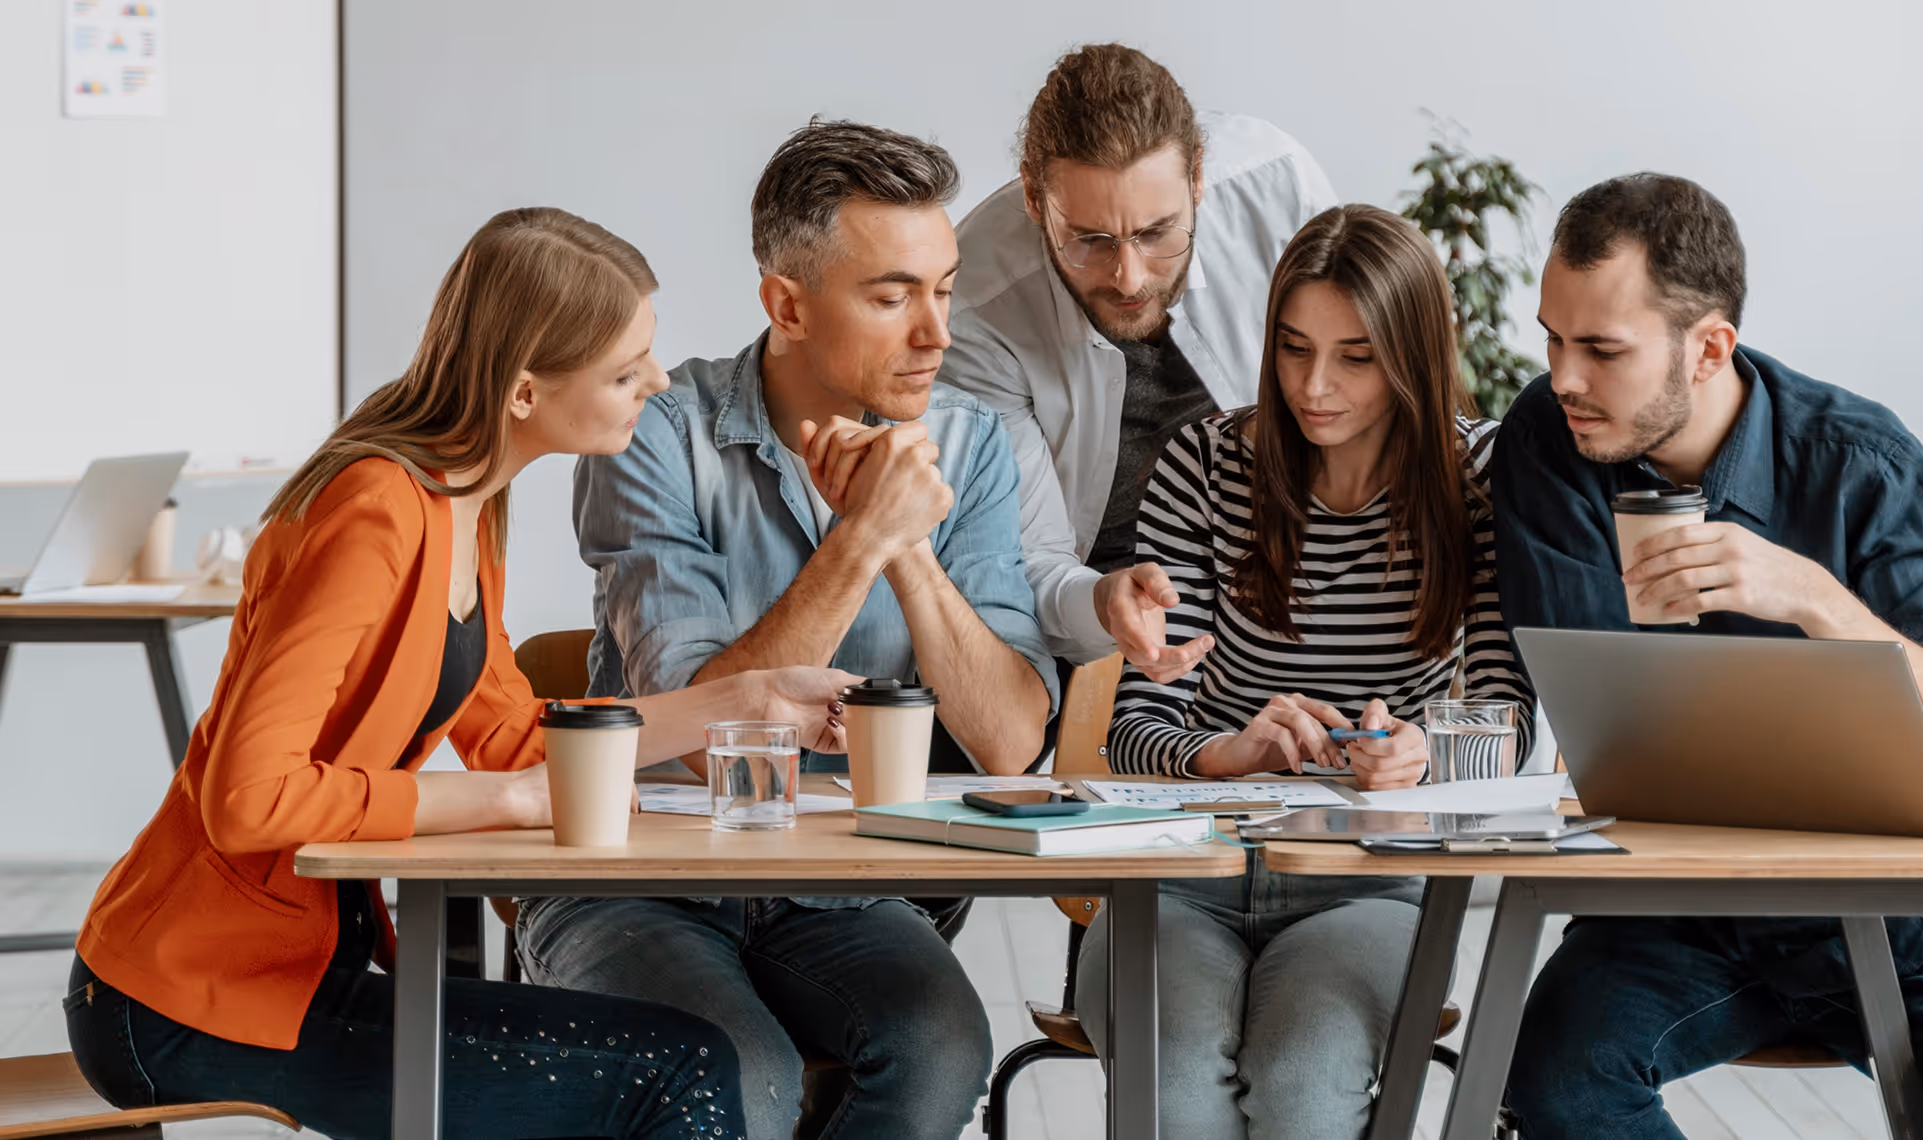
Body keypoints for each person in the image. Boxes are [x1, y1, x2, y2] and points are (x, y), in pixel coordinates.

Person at [64, 207, 857, 1140]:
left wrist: (744, 700)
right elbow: (250, 797)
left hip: (298, 976)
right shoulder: (377, 513)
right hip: (184, 1001)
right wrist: (510, 804)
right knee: (678, 1071)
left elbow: (519, 738)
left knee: (685, 1060)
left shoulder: (458, 510)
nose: (656, 378)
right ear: (525, 390)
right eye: (623, 367)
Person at [1491, 173, 1923, 1139]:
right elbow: (1596, 706)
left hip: (1897, 907)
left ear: (1709, 346)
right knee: (1558, 1081)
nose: (1564, 377)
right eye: (1553, 337)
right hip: (1676, 910)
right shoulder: (1549, 444)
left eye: (1601, 349)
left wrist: (1807, 595)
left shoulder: (1862, 463)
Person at [518, 121, 1053, 1140]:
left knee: (939, 1048)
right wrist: (859, 541)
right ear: (787, 304)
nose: (937, 332)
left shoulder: (974, 444)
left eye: (944, 288)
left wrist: (909, 545)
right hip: (636, 874)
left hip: (839, 885)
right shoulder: (658, 429)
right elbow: (696, 728)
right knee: (740, 1072)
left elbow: (1010, 740)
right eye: (893, 297)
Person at [1075, 204, 1533, 1139]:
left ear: (1412, 353)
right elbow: (1136, 726)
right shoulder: (1206, 465)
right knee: (1170, 1090)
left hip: (1376, 879)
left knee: (1302, 1081)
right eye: (1292, 349)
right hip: (1182, 867)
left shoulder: (1478, 475)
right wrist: (1226, 755)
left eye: (1355, 357)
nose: (1314, 386)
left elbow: (1505, 721)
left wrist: (1423, 752)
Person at [942, 42, 1337, 681]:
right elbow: (1023, 556)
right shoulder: (975, 301)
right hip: (1087, 617)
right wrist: (1100, 600)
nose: (1129, 278)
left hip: (1289, 580)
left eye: (1157, 232)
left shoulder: (1280, 188)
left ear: (1198, 177)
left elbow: (1362, 405)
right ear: (1035, 200)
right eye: (1090, 241)